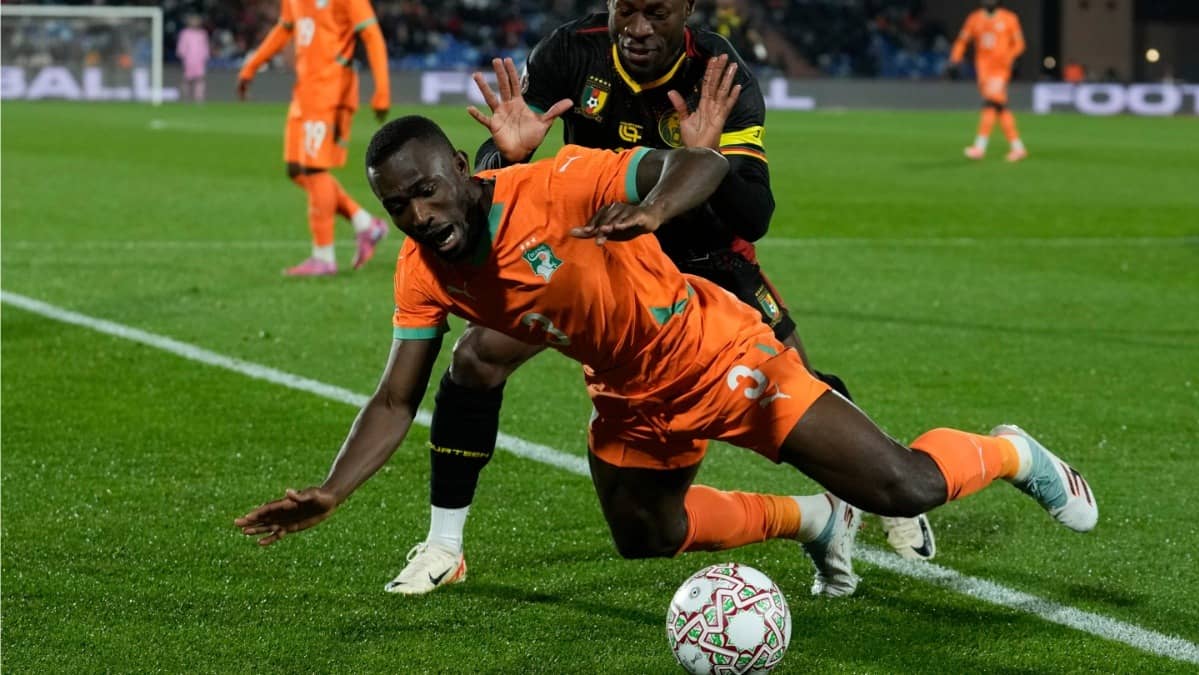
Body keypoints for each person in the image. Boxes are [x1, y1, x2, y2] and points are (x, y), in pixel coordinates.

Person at [235, 116, 1099, 603]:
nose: (418, 214)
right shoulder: (422, 270)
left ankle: (1014, 451)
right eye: (396, 205)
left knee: (905, 485)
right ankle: (811, 519)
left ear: (464, 170)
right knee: (646, 538)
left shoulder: (559, 184)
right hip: (628, 397)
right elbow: (396, 398)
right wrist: (332, 491)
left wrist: (653, 212)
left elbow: (699, 161)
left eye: (427, 189)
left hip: (719, 356)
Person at [398, 0, 935, 597]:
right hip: (605, 255)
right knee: (475, 360)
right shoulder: (566, 51)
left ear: (687, 10)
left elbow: (754, 216)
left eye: (655, 12)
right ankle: (444, 545)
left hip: (704, 255)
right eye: (626, 11)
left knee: (800, 380)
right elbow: (491, 177)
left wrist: (712, 157)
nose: (637, 29)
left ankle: (886, 492)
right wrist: (511, 156)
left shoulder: (718, 70)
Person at [237, 0, 392, 276]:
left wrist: (382, 89)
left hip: (331, 89)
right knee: (296, 170)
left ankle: (323, 257)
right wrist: (253, 65)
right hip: (305, 90)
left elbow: (371, 34)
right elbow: (284, 29)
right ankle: (366, 224)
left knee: (314, 169)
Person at [949, 0, 1027, 162]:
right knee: (996, 107)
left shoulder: (1009, 18)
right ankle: (1017, 148)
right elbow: (963, 40)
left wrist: (1009, 57)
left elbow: (1019, 44)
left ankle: (981, 147)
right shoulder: (974, 19)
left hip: (1000, 69)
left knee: (993, 103)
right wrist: (955, 58)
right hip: (983, 69)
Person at [176, 14, 210, 103]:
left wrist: (205, 56)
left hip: (199, 60)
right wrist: (182, 56)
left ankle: (199, 98)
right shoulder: (185, 33)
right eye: (193, 20)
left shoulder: (202, 33)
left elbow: (205, 46)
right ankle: (186, 98)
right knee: (187, 79)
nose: (195, 22)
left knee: (200, 79)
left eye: (196, 20)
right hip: (189, 59)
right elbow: (181, 47)